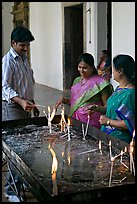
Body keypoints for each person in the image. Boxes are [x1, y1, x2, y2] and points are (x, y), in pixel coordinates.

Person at [2, 26, 40, 202]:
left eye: (27, 46)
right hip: (13, 109)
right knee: (17, 150)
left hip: (26, 107)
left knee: (27, 147)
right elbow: (4, 88)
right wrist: (21, 101)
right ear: (13, 43)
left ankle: (21, 181)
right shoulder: (8, 61)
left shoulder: (24, 59)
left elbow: (28, 82)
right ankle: (11, 191)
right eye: (23, 45)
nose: (26, 49)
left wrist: (31, 102)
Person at [55, 53, 113, 129]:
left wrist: (96, 108)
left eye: (85, 68)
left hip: (92, 123)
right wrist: (65, 101)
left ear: (92, 68)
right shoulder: (77, 81)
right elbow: (77, 103)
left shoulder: (101, 84)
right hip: (75, 120)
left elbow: (108, 108)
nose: (81, 70)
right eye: (79, 67)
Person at [90, 54, 135, 144]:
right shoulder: (119, 88)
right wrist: (97, 108)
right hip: (107, 136)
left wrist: (108, 122)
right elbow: (112, 109)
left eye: (113, 68)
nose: (112, 71)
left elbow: (129, 123)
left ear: (120, 71)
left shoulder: (130, 94)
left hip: (119, 141)